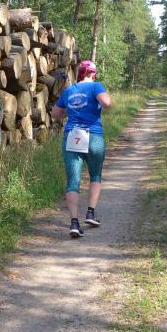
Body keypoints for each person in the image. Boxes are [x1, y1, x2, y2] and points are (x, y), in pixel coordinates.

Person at [51, 60, 112, 238]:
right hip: (93, 135)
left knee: (73, 181)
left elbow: (55, 114)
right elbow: (106, 102)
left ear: (80, 73)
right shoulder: (95, 86)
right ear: (93, 74)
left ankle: (74, 223)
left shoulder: (69, 90)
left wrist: (70, 111)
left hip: (72, 136)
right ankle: (90, 213)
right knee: (95, 175)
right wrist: (105, 101)